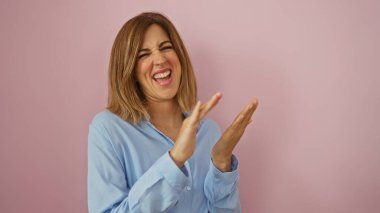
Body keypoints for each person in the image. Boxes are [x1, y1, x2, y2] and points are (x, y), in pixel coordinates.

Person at [88, 12, 258, 213]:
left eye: (165, 47)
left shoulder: (210, 132)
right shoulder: (107, 129)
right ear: (129, 71)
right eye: (144, 54)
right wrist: (175, 159)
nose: (159, 59)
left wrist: (221, 163)